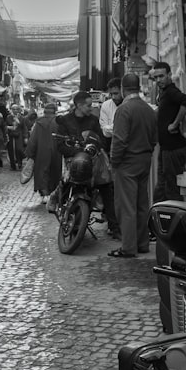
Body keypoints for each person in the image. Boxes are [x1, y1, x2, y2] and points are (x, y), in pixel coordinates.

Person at [55, 91, 117, 238]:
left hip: (92, 162)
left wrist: (94, 147)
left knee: (106, 187)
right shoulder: (65, 121)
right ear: (79, 105)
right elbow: (60, 145)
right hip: (72, 162)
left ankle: (114, 226)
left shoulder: (93, 121)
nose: (91, 108)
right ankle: (61, 207)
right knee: (65, 186)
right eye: (88, 105)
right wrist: (77, 150)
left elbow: (101, 140)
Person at [109, 73, 158, 258]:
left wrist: (114, 163)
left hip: (127, 162)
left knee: (126, 206)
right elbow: (154, 138)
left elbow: (119, 140)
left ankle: (128, 247)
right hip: (144, 160)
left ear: (123, 88)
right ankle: (142, 243)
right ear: (137, 88)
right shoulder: (148, 109)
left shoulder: (124, 109)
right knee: (141, 203)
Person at [151, 61, 186, 202]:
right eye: (156, 77)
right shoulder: (164, 93)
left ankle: (173, 221)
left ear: (169, 75)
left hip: (173, 149)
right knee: (162, 189)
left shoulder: (171, 91)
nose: (158, 80)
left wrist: (175, 124)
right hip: (166, 149)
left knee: (172, 190)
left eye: (161, 76)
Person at [24, 101, 62, 204]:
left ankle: (45, 194)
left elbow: (33, 139)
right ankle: (52, 193)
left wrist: (30, 153)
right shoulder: (59, 123)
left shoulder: (39, 123)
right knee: (54, 172)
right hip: (56, 152)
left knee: (42, 173)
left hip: (41, 152)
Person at [99, 78, 123, 154]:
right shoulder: (106, 105)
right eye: (111, 94)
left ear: (123, 91)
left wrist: (110, 128)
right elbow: (105, 132)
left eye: (116, 94)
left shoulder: (129, 105)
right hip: (109, 144)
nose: (113, 97)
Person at [7, 104, 26, 171]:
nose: (15, 110)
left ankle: (19, 162)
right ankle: (13, 165)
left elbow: (24, 127)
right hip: (11, 135)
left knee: (19, 149)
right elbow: (6, 125)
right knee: (11, 150)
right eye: (13, 109)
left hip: (19, 135)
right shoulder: (9, 117)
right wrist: (9, 128)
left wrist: (25, 137)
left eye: (16, 109)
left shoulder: (22, 118)